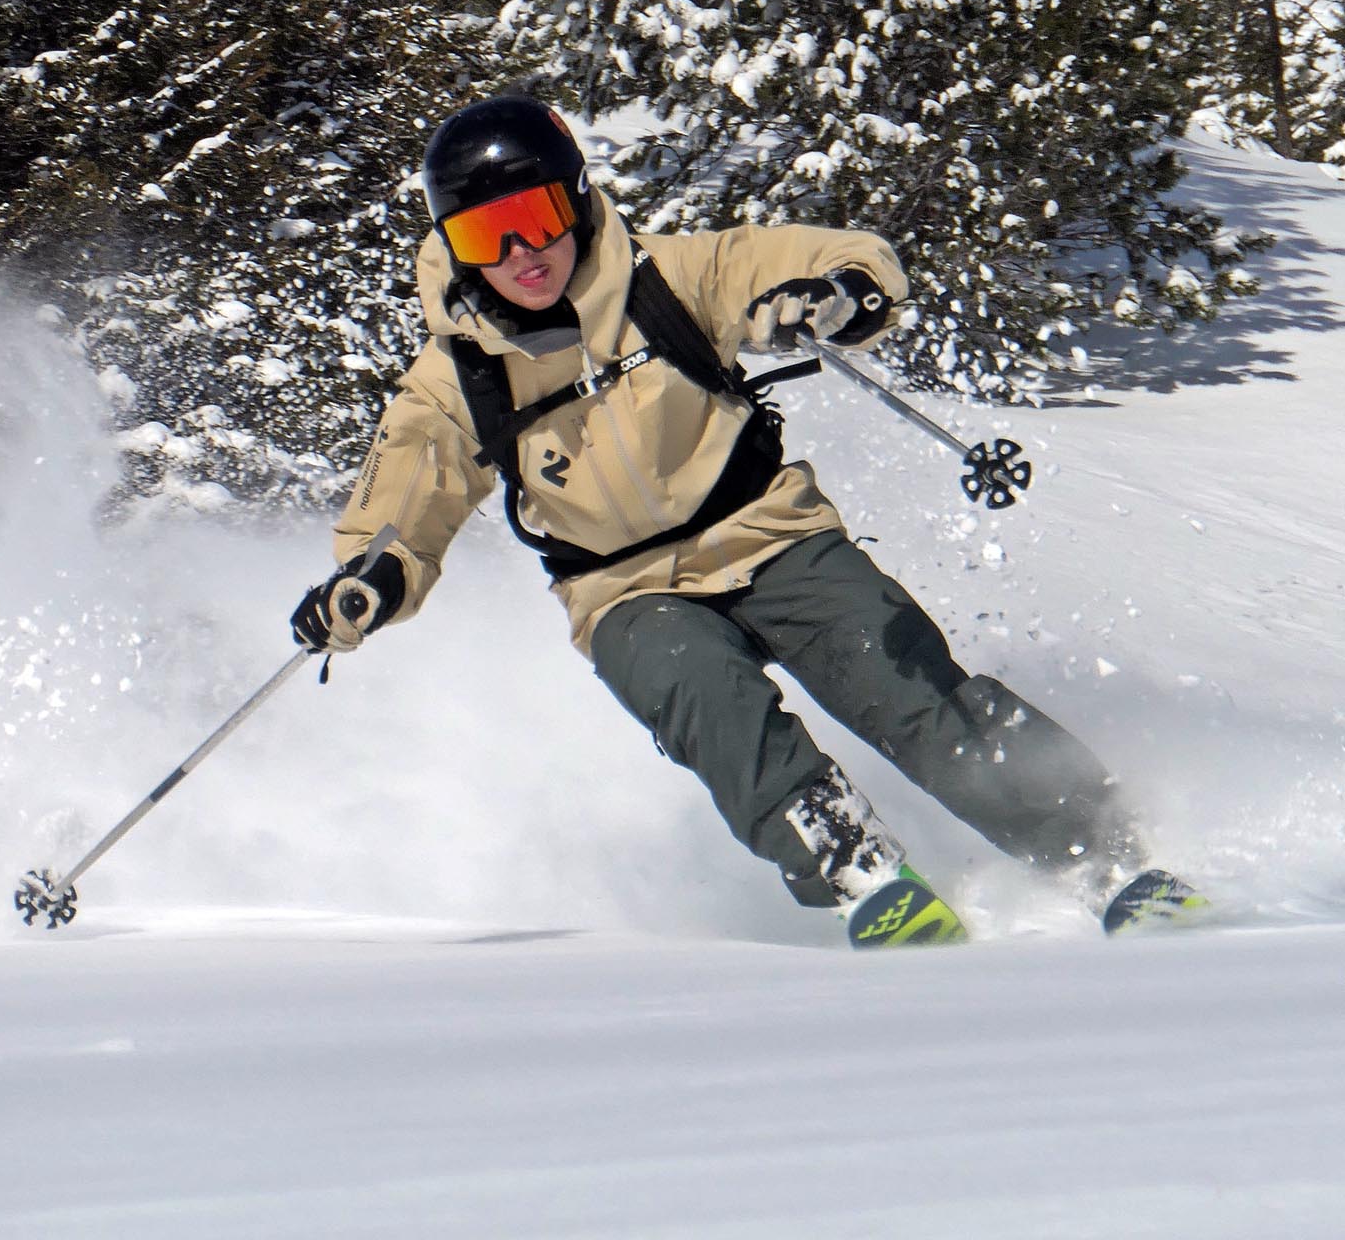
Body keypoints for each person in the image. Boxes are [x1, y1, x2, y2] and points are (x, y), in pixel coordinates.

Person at [291, 95, 1203, 947]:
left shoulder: (670, 280)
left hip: (769, 531)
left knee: (905, 686)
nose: (524, 252)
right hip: (622, 588)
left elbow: (831, 259)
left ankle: (1109, 857)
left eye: (538, 217)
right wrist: (368, 581)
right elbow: (403, 505)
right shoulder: (458, 375)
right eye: (487, 234)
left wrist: (838, 297)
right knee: (708, 700)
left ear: (575, 200)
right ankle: (862, 876)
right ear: (455, 245)